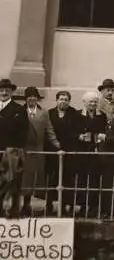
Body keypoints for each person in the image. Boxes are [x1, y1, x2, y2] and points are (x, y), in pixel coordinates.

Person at [22, 86, 60, 217]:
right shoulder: (20, 111)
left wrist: (57, 144)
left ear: (37, 98)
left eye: (34, 96)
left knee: (36, 178)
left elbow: (49, 129)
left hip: (38, 149)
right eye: (29, 96)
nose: (32, 99)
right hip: (24, 150)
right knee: (24, 179)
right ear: (26, 99)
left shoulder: (43, 112)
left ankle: (37, 204)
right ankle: (24, 205)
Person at [47, 90, 81, 216]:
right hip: (53, 151)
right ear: (56, 100)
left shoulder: (74, 113)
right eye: (61, 99)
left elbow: (77, 130)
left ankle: (68, 205)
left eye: (66, 99)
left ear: (69, 101)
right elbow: (47, 132)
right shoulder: (50, 113)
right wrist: (55, 146)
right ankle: (49, 204)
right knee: (52, 179)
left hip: (69, 151)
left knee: (68, 179)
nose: (63, 101)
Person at [0, 79, 29, 218]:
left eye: (7, 90)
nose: (4, 92)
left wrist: (15, 151)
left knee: (12, 183)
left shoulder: (19, 109)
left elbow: (24, 133)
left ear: (12, 91)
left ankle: (12, 214)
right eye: (1, 89)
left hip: (11, 153)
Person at [75, 91, 107, 218]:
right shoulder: (77, 115)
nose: (93, 104)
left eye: (95, 102)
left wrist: (101, 138)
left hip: (96, 151)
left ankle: (93, 206)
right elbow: (71, 131)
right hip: (82, 152)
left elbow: (104, 130)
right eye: (90, 102)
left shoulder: (101, 115)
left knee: (94, 180)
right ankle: (83, 206)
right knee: (82, 180)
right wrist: (79, 136)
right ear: (84, 103)